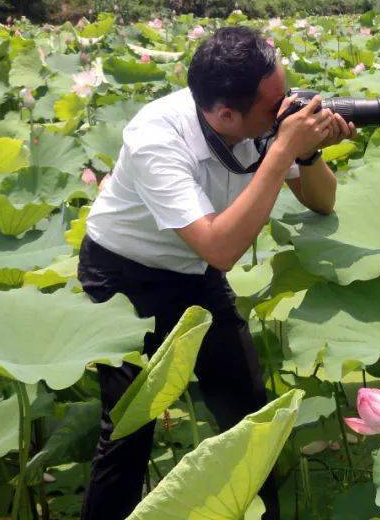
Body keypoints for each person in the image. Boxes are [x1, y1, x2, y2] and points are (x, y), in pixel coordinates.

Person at [79, 26, 354, 520]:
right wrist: (280, 151)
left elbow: (322, 200)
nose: (286, 108)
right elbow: (222, 248)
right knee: (128, 429)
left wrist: (306, 152)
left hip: (194, 274)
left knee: (248, 414)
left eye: (285, 93)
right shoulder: (156, 137)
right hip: (121, 276)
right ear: (225, 114)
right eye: (275, 105)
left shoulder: (264, 119)